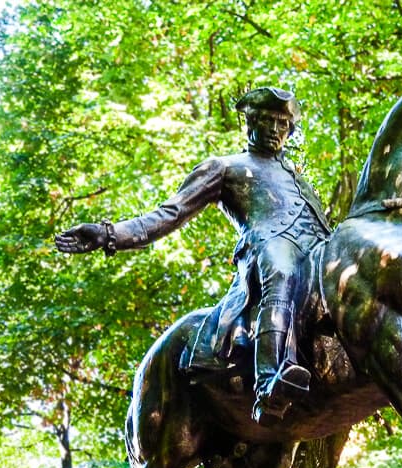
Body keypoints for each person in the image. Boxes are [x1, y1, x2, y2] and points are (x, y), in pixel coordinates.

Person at [55, 87, 331, 424]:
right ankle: (270, 382)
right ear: (250, 123)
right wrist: (109, 234)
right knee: (281, 269)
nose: (276, 130)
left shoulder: (297, 177)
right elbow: (170, 213)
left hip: (317, 249)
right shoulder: (224, 167)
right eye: (269, 121)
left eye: (283, 124)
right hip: (270, 247)